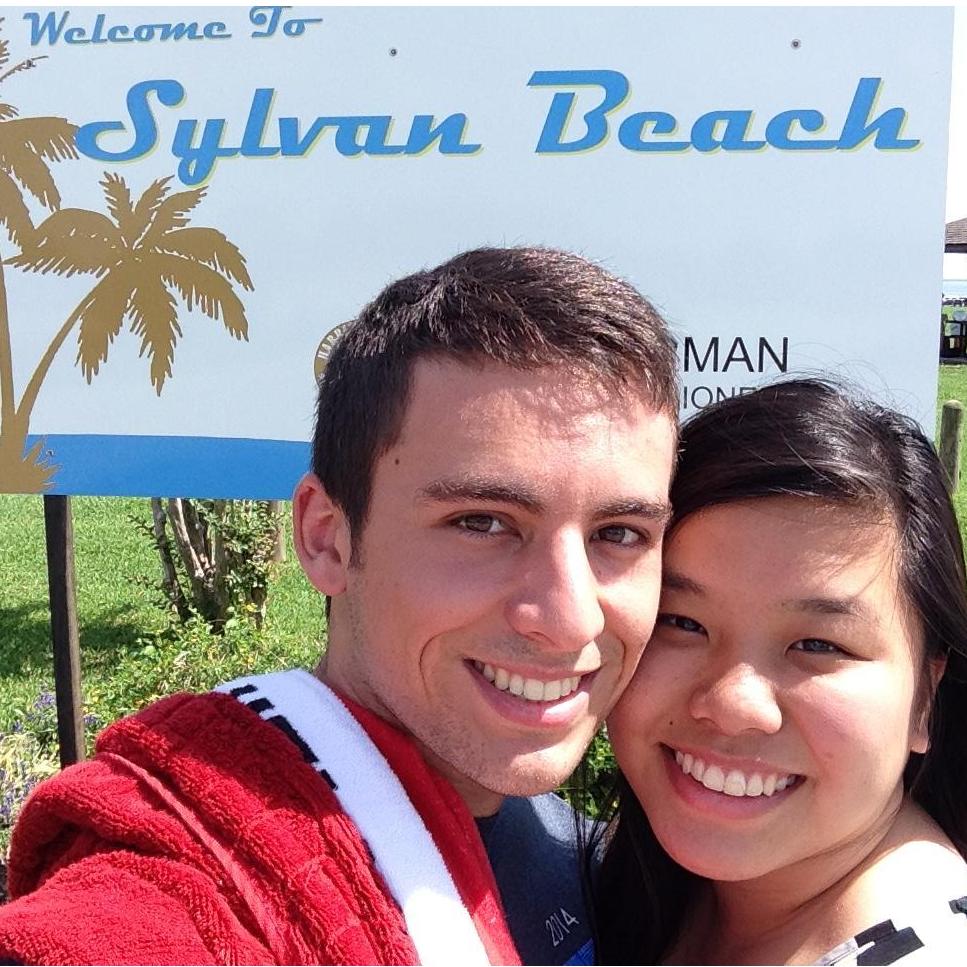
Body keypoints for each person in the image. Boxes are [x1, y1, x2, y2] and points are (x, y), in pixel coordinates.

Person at [0, 246, 679, 965]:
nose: (570, 616)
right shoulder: (195, 868)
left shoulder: (597, 858)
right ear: (326, 537)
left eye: (619, 533)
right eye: (482, 522)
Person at [597, 379, 967, 965]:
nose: (733, 703)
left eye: (818, 644)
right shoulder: (648, 890)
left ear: (927, 695)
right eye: (682, 622)